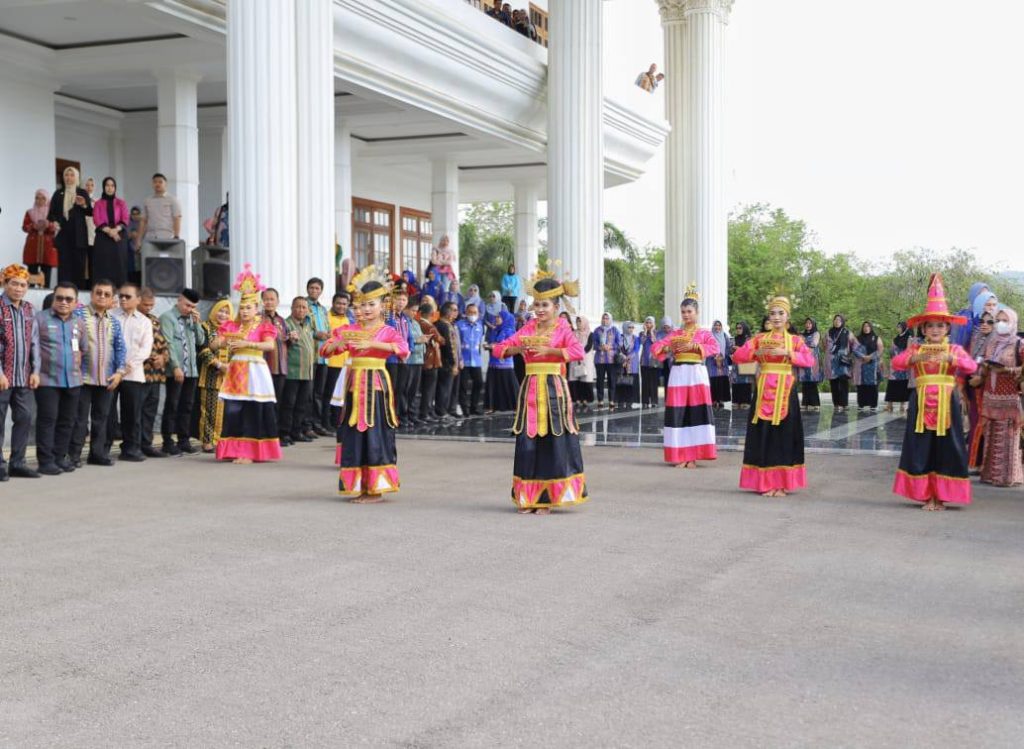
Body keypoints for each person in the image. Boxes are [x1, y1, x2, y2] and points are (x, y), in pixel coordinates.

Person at [489, 271, 587, 513]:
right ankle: (528, 497)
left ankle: (548, 499)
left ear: (556, 307)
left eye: (545, 305)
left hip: (554, 390)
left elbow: (578, 352)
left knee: (552, 441)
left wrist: (550, 352)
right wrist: (518, 349)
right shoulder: (527, 328)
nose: (540, 309)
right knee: (528, 440)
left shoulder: (563, 328)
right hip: (531, 389)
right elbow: (498, 349)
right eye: (537, 304)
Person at [320, 266, 409, 502]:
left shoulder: (387, 331)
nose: (366, 309)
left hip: (376, 385)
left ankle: (376, 487)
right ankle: (359, 485)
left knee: (375, 431)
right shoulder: (349, 329)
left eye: (371, 304)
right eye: (362, 305)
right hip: (353, 385)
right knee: (353, 433)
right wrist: (337, 344)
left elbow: (403, 350)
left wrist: (373, 344)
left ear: (383, 305)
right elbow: (325, 350)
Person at [891, 274, 977, 510]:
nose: (935, 329)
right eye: (930, 325)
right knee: (921, 446)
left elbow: (972, 367)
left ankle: (941, 496)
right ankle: (926, 494)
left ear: (947, 328)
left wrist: (952, 359)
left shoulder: (954, 349)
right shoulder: (917, 349)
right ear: (924, 329)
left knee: (947, 447)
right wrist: (914, 358)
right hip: (921, 403)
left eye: (940, 325)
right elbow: (896, 363)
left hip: (947, 403)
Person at [732, 295, 816, 497]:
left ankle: (782, 483)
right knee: (764, 434)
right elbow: (738, 356)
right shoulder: (760, 338)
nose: (776, 317)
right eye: (772, 313)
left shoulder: (795, 340)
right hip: (763, 389)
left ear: (788, 316)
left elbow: (809, 360)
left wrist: (787, 353)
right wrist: (756, 352)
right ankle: (765, 482)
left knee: (784, 436)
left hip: (786, 390)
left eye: (780, 313)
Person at [212, 266, 282, 464]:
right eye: (242, 307)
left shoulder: (264, 326)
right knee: (233, 409)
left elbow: (269, 345)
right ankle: (233, 450)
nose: (244, 311)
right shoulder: (232, 326)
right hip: (236, 370)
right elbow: (215, 344)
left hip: (255, 371)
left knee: (253, 409)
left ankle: (250, 452)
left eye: (248, 308)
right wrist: (222, 340)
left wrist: (247, 344)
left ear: (256, 308)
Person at [651, 286, 720, 468]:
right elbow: (655, 348)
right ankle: (681, 454)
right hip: (679, 374)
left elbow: (715, 348)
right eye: (683, 312)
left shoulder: (704, 333)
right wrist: (668, 348)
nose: (686, 315)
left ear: (697, 312)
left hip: (697, 373)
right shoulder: (675, 334)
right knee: (678, 412)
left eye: (689, 311)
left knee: (697, 412)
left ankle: (693, 456)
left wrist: (696, 346)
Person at [66, 279, 126, 468]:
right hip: (82, 378)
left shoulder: (114, 322)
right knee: (79, 419)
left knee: (102, 418)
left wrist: (119, 372)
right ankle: (74, 456)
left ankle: (97, 454)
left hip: (107, 379)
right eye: (98, 293)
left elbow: (120, 348)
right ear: (92, 295)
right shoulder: (78, 315)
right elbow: (70, 342)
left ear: (112, 299)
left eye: (106, 294)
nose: (102, 297)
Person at [31, 281, 89, 475]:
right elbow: (33, 348)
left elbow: (83, 348)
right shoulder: (40, 319)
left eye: (68, 299)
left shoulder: (79, 323)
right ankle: (45, 461)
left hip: (73, 380)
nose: (64, 302)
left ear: (76, 302)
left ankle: (59, 457)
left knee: (67, 421)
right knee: (48, 421)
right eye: (60, 298)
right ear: (54, 298)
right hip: (47, 380)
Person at [0, 264, 41, 480]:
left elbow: (34, 342)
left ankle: (18, 463)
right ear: (5, 283)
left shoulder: (29, 309)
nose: (18, 288)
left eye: (23, 285)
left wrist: (36, 371)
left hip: (24, 377)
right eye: (14, 284)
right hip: (2, 377)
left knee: (24, 418)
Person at [977, 306, 1023, 487]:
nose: (1001, 324)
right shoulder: (992, 343)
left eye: (1005, 320)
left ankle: (1007, 477)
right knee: (991, 435)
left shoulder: (1019, 344)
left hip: (1009, 397)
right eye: (998, 320)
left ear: (1013, 322)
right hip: (991, 396)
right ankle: (990, 475)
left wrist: (1007, 370)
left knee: (1008, 436)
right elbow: (983, 364)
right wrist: (984, 368)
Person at [108, 282, 153, 462]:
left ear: (138, 299)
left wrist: (126, 367)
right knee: (107, 413)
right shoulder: (110, 315)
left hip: (133, 373)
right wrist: (116, 367)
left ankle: (131, 449)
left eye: (128, 296)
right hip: (110, 372)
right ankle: (102, 449)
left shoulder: (145, 322)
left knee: (132, 414)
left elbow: (145, 350)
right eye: (121, 296)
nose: (123, 299)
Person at [159, 288, 206, 455]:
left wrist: (197, 323)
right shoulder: (167, 317)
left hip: (191, 370)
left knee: (187, 406)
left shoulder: (192, 319)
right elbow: (168, 343)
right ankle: (167, 441)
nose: (189, 309)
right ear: (179, 300)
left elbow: (200, 341)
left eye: (193, 307)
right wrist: (175, 366)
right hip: (176, 370)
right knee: (172, 405)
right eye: (187, 305)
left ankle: (183, 440)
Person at [195, 299, 234, 452]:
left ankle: (220, 440)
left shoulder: (233, 330)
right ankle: (207, 441)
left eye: (226, 312)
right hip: (210, 376)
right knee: (209, 410)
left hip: (228, 377)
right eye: (220, 311)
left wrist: (231, 366)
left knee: (225, 411)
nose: (223, 315)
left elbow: (236, 351)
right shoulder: (205, 327)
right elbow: (203, 350)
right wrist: (219, 365)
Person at [48, 166, 92, 287]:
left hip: (79, 237)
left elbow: (90, 212)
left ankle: (79, 294)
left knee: (79, 268)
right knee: (64, 268)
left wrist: (83, 204)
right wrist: (55, 222)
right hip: (63, 236)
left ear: (76, 177)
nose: (69, 178)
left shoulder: (82, 192)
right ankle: (63, 292)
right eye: (66, 175)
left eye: (72, 175)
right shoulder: (58, 193)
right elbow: (51, 214)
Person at [137, 288, 169, 458]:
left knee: (150, 411)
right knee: (137, 411)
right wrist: (150, 357)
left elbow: (164, 344)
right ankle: (134, 444)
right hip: (139, 373)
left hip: (155, 374)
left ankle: (146, 444)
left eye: (151, 305)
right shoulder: (134, 319)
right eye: (145, 304)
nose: (149, 308)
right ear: (137, 301)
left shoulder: (155, 320)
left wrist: (163, 358)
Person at [280, 296, 315, 446]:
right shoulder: (286, 324)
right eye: (298, 307)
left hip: (307, 372)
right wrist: (288, 338)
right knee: (289, 404)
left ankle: (297, 431)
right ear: (292, 308)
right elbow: (281, 341)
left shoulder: (307, 325)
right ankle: (284, 433)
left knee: (302, 404)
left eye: (304, 307)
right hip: (292, 372)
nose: (301, 310)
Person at [965, 312, 994, 470]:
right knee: (975, 422)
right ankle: (975, 462)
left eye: (990, 322)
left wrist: (982, 377)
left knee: (987, 424)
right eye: (982, 321)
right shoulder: (975, 338)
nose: (985, 324)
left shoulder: (999, 340)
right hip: (974, 387)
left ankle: (986, 464)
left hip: (991, 387)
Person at [385, 283, 416, 424]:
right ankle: (389, 416)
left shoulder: (405, 318)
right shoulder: (388, 316)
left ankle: (398, 416)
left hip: (405, 358)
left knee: (401, 388)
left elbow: (410, 337)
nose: (401, 302)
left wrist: (409, 351)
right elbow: (390, 335)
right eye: (398, 299)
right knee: (391, 388)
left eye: (404, 300)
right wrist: (400, 352)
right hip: (392, 358)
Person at [305, 277, 333, 435]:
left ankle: (317, 423)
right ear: (307, 289)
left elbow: (328, 327)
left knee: (319, 393)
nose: (314, 291)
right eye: (312, 288)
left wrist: (328, 335)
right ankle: (307, 425)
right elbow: (303, 328)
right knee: (309, 393)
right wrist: (316, 334)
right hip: (311, 355)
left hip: (324, 356)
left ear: (321, 291)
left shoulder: (322, 309)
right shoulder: (304, 306)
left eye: (317, 288)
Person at [91, 177, 129, 288]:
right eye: (107, 185)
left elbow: (125, 219)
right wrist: (110, 231)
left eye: (112, 186)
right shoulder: (98, 203)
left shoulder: (121, 203)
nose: (110, 188)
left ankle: (120, 289)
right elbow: (97, 220)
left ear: (115, 188)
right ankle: (102, 289)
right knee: (103, 264)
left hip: (119, 236)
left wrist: (115, 230)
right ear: (104, 187)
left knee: (119, 264)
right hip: (103, 236)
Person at [484, 291, 519, 413]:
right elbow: (493, 342)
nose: (496, 318)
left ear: (504, 318)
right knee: (493, 384)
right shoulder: (495, 330)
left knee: (509, 383)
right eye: (496, 317)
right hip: (494, 361)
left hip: (505, 362)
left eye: (499, 317)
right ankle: (492, 406)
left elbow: (510, 344)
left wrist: (495, 346)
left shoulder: (509, 331)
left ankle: (517, 406)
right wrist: (489, 346)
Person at [325, 292, 354, 430]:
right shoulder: (327, 317)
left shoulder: (348, 319)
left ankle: (337, 421)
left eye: (344, 304)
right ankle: (327, 422)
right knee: (329, 394)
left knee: (341, 394)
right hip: (331, 362)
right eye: (338, 303)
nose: (341, 306)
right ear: (333, 303)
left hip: (345, 363)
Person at [260, 288, 289, 415]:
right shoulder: (258, 319)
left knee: (278, 401)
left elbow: (286, 340)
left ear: (278, 301)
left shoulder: (281, 320)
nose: (269, 302)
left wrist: (291, 338)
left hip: (281, 367)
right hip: (264, 366)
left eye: (272, 299)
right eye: (266, 299)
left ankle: (274, 426)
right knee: (264, 400)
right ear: (261, 301)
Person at [22, 189, 57, 288]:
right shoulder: (30, 212)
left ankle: (45, 294)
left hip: (48, 246)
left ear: (47, 200)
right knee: (31, 273)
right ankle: (30, 293)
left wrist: (48, 225)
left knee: (46, 275)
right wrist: (34, 226)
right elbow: (25, 227)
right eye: (37, 198)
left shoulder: (52, 212)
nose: (39, 200)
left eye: (43, 198)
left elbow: (57, 227)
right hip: (33, 246)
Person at [416, 300, 443, 423]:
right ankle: (425, 412)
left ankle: (428, 411)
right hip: (430, 360)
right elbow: (441, 339)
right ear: (431, 314)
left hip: (425, 359)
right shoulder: (428, 326)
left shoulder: (418, 323)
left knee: (428, 388)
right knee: (429, 389)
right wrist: (439, 340)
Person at [456, 302, 485, 416]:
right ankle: (465, 409)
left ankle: (474, 407)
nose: (472, 314)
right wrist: (458, 359)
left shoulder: (480, 326)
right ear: (466, 313)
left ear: (478, 314)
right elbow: (457, 344)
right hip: (463, 360)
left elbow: (479, 342)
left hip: (476, 360)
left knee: (479, 383)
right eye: (470, 312)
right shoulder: (459, 325)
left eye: (475, 312)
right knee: (463, 385)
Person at [138, 173, 182, 241]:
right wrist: (138, 239)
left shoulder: (172, 200)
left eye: (160, 182)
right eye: (155, 182)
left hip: (167, 236)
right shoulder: (147, 200)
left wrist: (176, 236)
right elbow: (143, 221)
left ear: (165, 184)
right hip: (150, 236)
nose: (157, 184)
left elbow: (177, 218)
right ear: (152, 184)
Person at [853, 321, 884, 412]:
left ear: (871, 327)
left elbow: (880, 349)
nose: (866, 328)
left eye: (868, 326)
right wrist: (863, 356)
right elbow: (854, 349)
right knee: (861, 385)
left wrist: (871, 357)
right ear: (862, 328)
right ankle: (861, 404)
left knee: (873, 385)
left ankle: (873, 405)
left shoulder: (876, 338)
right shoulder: (857, 338)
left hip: (873, 364)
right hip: (861, 364)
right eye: (864, 326)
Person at [826, 314, 853, 412]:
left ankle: (844, 404)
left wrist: (848, 354)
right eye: (835, 320)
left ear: (842, 321)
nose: (837, 321)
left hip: (843, 360)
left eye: (839, 320)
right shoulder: (828, 332)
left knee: (843, 382)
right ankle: (836, 404)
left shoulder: (847, 332)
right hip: (832, 360)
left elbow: (853, 344)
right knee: (834, 383)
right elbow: (824, 344)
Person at [593, 312, 620, 409]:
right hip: (599, 360)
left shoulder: (615, 330)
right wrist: (600, 347)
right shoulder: (597, 330)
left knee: (611, 381)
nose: (605, 320)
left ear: (610, 319)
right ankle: (600, 400)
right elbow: (594, 343)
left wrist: (610, 346)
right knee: (599, 381)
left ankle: (611, 400)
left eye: (607, 318)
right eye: (603, 318)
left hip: (611, 360)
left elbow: (619, 343)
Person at [885, 322, 912, 414]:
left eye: (900, 327)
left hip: (904, 364)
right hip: (894, 365)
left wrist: (902, 359)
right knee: (892, 384)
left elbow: (909, 351)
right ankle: (889, 404)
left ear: (904, 328)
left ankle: (902, 405)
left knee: (903, 384)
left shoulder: (909, 338)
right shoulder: (895, 339)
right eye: (898, 327)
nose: (898, 329)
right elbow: (891, 352)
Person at [796, 318, 822, 410]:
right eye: (806, 323)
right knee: (805, 382)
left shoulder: (816, 333)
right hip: (803, 360)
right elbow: (797, 345)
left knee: (812, 382)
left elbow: (813, 344)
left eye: (810, 323)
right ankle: (805, 403)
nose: (808, 325)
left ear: (813, 324)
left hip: (812, 360)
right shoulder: (801, 334)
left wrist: (803, 344)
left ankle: (815, 403)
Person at [706, 320, 732, 409]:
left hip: (723, 362)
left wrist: (723, 355)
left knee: (722, 381)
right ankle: (714, 400)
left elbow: (728, 347)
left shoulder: (724, 335)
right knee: (713, 381)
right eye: (716, 325)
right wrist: (714, 355)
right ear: (713, 326)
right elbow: (706, 347)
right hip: (711, 362)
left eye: (719, 325)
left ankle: (721, 400)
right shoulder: (709, 336)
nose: (717, 327)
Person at [730, 321, 754, 408]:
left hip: (745, 363)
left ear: (744, 328)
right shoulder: (734, 339)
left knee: (745, 382)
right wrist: (731, 352)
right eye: (737, 328)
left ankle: (746, 402)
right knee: (736, 382)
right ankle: (736, 401)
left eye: (740, 328)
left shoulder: (749, 340)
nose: (738, 330)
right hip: (736, 364)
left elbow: (750, 351)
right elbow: (730, 350)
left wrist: (739, 349)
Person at [617, 321, 640, 409]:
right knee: (621, 382)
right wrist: (623, 356)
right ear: (625, 328)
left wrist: (629, 357)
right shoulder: (620, 337)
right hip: (622, 362)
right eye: (629, 327)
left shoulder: (635, 338)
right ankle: (621, 401)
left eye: (632, 327)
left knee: (630, 382)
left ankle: (629, 401)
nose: (631, 329)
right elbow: (618, 348)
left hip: (632, 363)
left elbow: (636, 349)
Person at [638, 317, 660, 408]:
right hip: (644, 361)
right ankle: (645, 401)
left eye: (650, 323)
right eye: (647, 322)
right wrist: (645, 332)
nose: (648, 324)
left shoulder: (657, 333)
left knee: (654, 382)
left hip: (654, 361)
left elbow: (655, 342)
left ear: (653, 324)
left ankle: (654, 401)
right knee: (645, 382)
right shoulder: (642, 333)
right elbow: (641, 342)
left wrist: (651, 332)